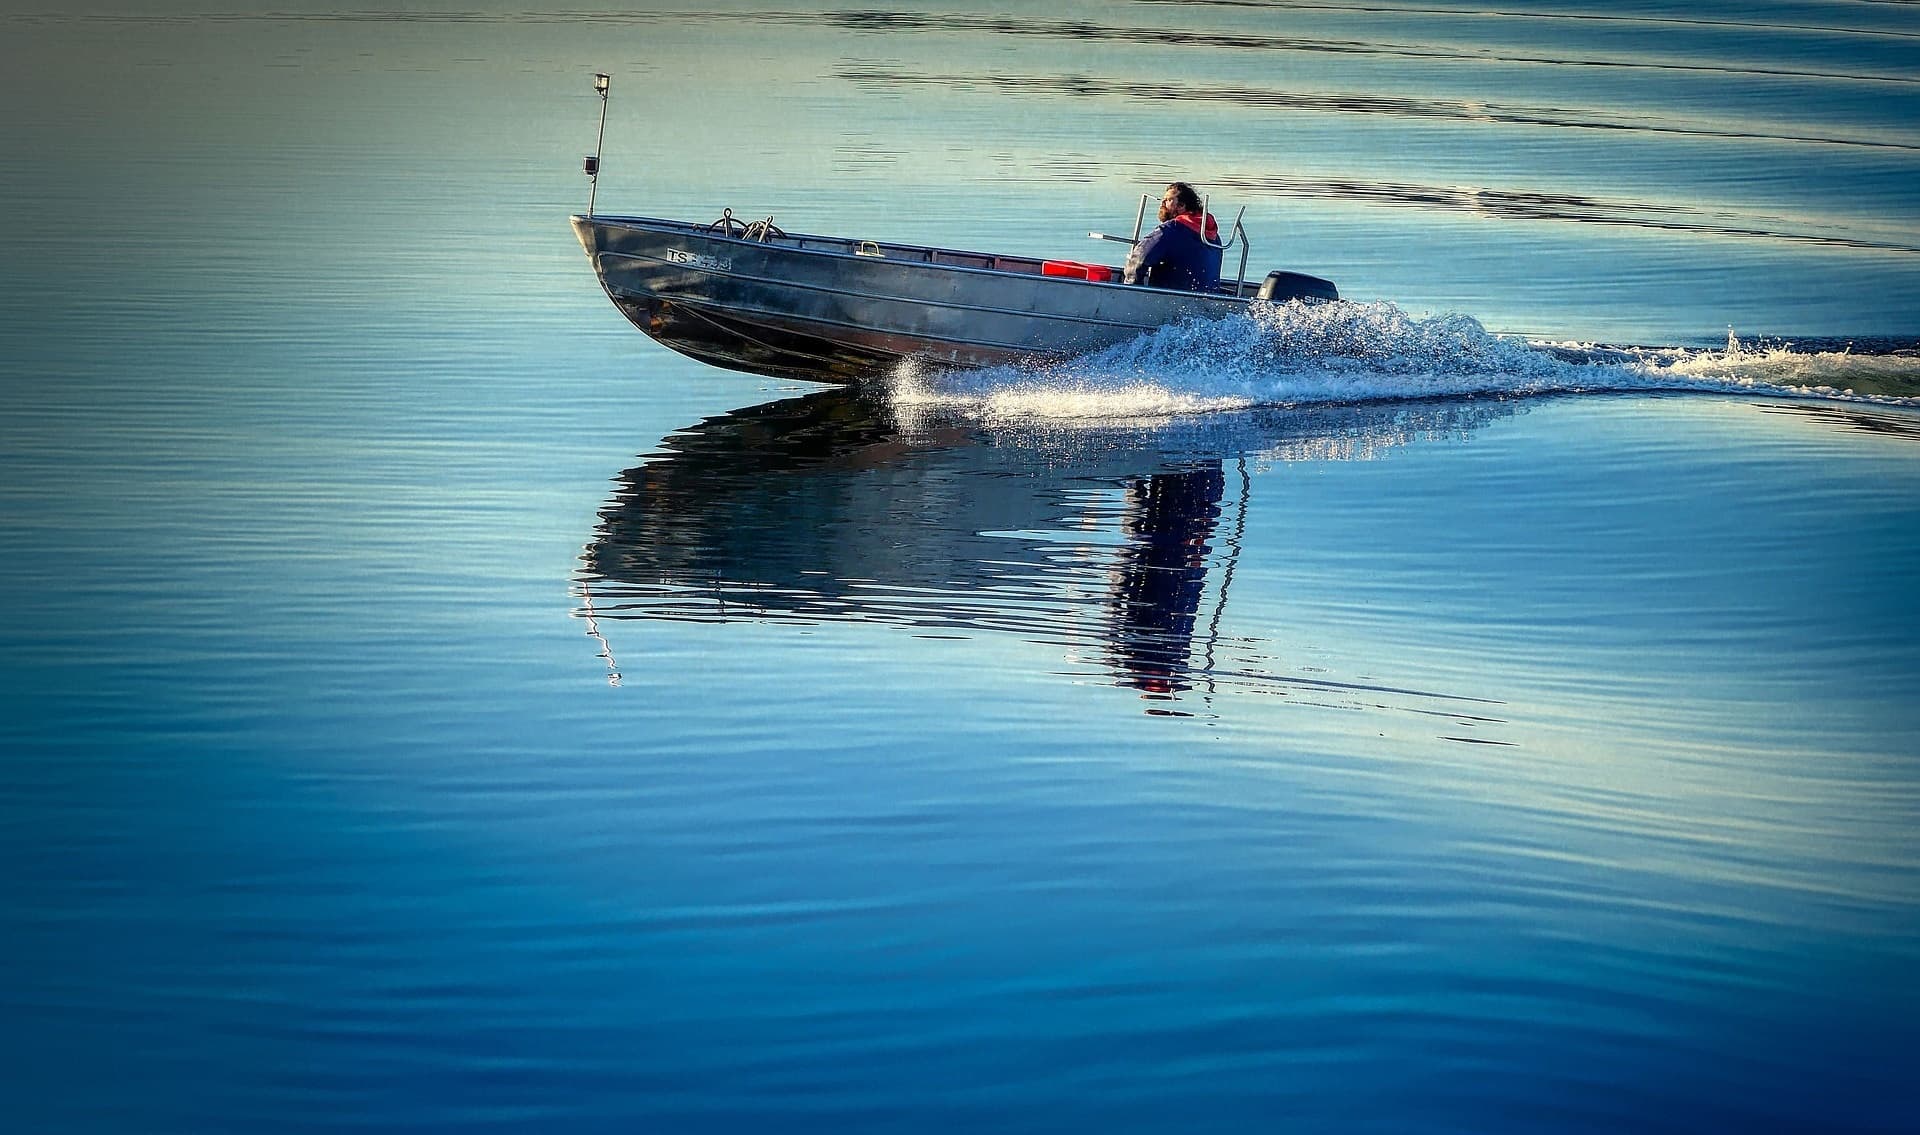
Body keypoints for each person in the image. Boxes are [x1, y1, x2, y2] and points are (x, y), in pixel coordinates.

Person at [1123, 182, 1223, 291]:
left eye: (1168, 200)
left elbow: (1138, 258)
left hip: (1168, 297)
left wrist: (1131, 289)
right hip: (1209, 296)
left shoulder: (1171, 230)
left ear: (1181, 205)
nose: (1163, 203)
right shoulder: (1214, 237)